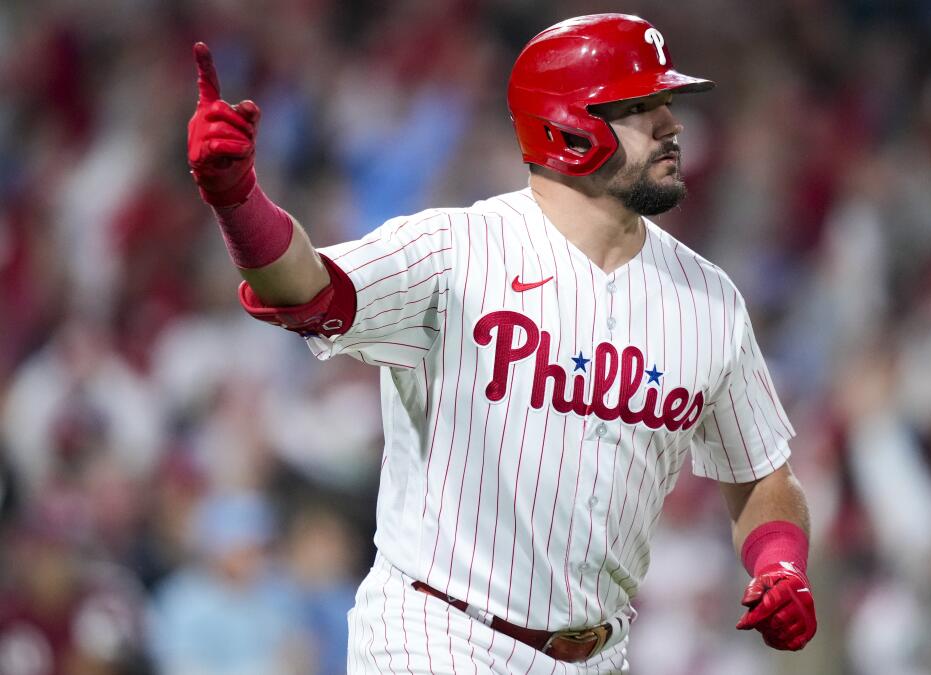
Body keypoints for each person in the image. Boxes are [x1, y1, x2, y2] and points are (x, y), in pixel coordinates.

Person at [186, 13, 817, 674]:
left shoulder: (708, 301)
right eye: (640, 107)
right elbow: (306, 288)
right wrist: (238, 200)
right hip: (439, 633)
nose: (671, 125)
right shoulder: (456, 250)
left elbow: (763, 474)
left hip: (599, 654)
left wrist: (779, 560)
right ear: (567, 126)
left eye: (667, 103)